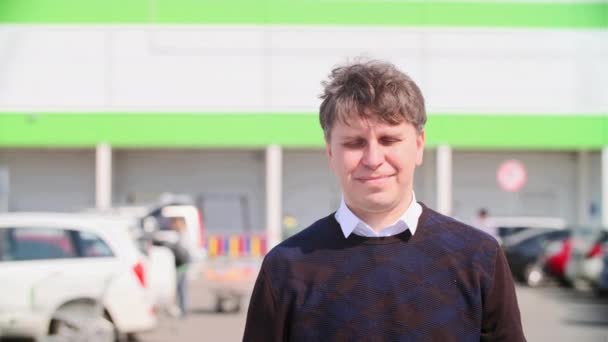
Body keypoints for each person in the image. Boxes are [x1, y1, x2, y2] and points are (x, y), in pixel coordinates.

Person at [243, 60, 525, 341]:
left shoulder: (478, 258)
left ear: (418, 145)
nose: (373, 160)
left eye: (389, 140)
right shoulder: (285, 268)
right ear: (330, 152)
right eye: (354, 143)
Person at [168, 217, 191, 318]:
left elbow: (183, 252)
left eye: (174, 223)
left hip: (182, 265)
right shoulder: (181, 235)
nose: (172, 225)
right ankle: (182, 309)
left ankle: (182, 309)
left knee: (179, 287)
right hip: (182, 264)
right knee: (181, 288)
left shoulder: (184, 235)